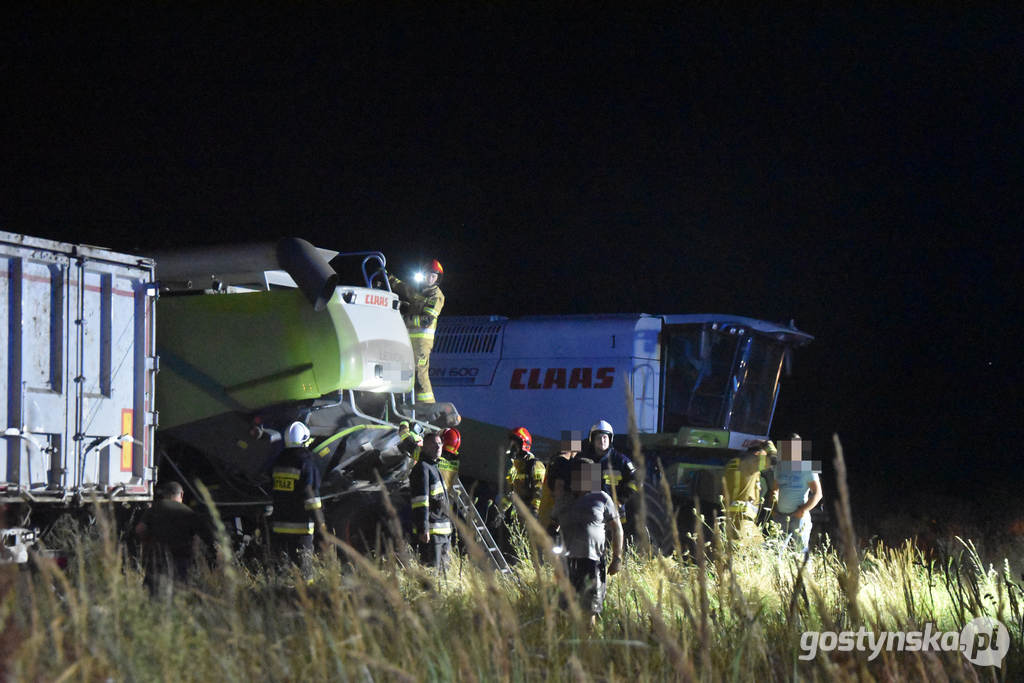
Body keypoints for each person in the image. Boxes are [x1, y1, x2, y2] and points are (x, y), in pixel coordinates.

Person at [551, 458, 623, 626]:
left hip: (593, 563)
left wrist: (617, 558)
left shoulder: (602, 498)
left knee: (589, 610)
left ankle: (589, 646)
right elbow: (552, 525)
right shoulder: (564, 499)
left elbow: (617, 528)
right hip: (566, 563)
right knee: (564, 608)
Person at [269, 421, 326, 579]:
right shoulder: (306, 463)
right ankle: (306, 598)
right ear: (303, 441)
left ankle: (279, 597)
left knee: (282, 569)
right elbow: (312, 497)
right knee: (304, 570)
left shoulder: (278, 462)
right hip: (301, 528)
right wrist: (321, 523)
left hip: (279, 526)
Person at [135, 480, 213, 595]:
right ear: (181, 494)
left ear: (164, 494)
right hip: (180, 563)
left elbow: (140, 529)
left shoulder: (154, 509)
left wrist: (146, 543)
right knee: (178, 598)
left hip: (157, 561)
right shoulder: (189, 513)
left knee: (152, 597)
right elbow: (200, 538)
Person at [388, 259, 445, 403]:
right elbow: (403, 288)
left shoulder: (436, 296)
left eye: (434, 276)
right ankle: (395, 403)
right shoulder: (418, 290)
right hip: (407, 338)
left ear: (438, 278)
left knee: (420, 372)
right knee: (399, 368)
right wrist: (388, 278)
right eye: (428, 274)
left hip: (421, 342)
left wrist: (403, 318)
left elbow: (426, 320)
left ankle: (428, 407)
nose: (430, 278)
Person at [409, 431, 453, 571]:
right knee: (432, 572)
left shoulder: (435, 468)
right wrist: (423, 529)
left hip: (444, 533)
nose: (438, 447)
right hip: (432, 535)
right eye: (434, 444)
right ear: (425, 447)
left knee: (445, 574)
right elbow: (421, 501)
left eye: (440, 443)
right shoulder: (422, 468)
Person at [770, 436, 822, 554]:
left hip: (798, 519)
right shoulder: (780, 467)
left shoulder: (807, 466)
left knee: (800, 553)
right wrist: (773, 508)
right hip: (780, 517)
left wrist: (803, 510)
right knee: (777, 553)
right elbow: (775, 490)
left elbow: (818, 493)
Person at [585, 420, 639, 523]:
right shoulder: (586, 460)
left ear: (610, 439)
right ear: (592, 440)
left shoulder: (620, 461)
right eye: (598, 437)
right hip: (591, 514)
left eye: (605, 437)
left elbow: (636, 480)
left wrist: (620, 500)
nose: (602, 440)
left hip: (615, 514)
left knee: (615, 538)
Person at [721, 444, 770, 544]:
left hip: (733, 514)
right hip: (743, 518)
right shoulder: (751, 463)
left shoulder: (732, 463)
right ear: (757, 454)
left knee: (761, 549)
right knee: (741, 553)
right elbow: (774, 459)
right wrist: (768, 444)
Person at [501, 427, 546, 518]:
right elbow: (510, 494)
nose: (511, 447)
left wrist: (534, 511)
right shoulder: (514, 468)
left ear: (524, 445)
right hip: (519, 515)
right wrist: (500, 510)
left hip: (533, 516)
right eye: (511, 444)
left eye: (515, 444)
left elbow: (540, 491)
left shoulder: (536, 465)